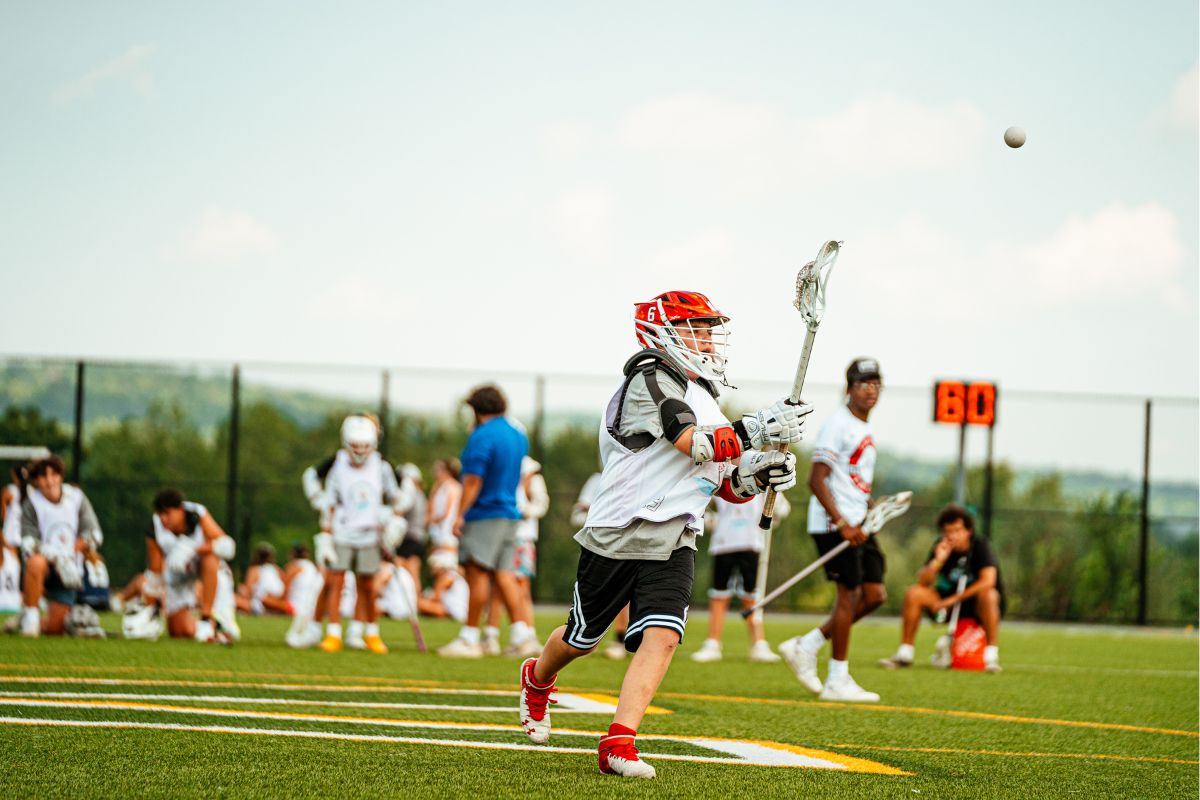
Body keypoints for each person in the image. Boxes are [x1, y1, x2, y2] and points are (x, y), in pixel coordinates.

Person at [517, 290, 809, 779]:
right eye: (698, 328)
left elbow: (725, 484)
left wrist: (761, 476)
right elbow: (692, 444)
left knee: (664, 636)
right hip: (620, 528)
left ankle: (619, 743)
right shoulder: (648, 379)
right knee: (581, 638)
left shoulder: (707, 398)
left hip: (676, 534)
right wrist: (757, 428)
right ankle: (537, 677)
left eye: (710, 330)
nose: (709, 339)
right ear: (665, 331)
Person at [779, 358, 885, 702]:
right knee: (849, 595)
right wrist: (841, 522)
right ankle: (837, 679)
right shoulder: (837, 425)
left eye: (875, 384)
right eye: (863, 384)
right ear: (849, 388)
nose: (870, 390)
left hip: (859, 522)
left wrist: (870, 508)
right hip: (834, 524)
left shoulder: (863, 426)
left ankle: (807, 645)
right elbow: (817, 479)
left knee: (874, 595)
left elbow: (851, 479)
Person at [302, 414, 409, 655]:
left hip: (370, 534)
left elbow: (396, 497)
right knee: (336, 582)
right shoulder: (337, 466)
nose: (360, 451)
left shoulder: (381, 467)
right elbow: (329, 500)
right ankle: (334, 633)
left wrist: (395, 520)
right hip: (342, 532)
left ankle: (370, 633)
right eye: (355, 446)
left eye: (364, 446)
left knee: (368, 585)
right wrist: (326, 534)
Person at [438, 385, 532, 658]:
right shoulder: (517, 434)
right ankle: (522, 637)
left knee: (476, 574)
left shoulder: (481, 435)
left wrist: (460, 514)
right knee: (505, 576)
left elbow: (473, 480)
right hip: (509, 514)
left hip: (484, 513)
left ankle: (469, 639)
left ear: (477, 409)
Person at [879, 505, 1005, 673]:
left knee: (989, 595)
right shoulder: (941, 546)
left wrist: (951, 600)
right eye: (948, 532)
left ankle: (991, 657)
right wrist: (938, 561)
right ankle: (905, 654)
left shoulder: (980, 545)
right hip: (948, 604)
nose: (952, 536)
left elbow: (988, 581)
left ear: (968, 531)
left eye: (957, 530)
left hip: (975, 604)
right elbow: (923, 582)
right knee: (913, 593)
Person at [691, 491, 790, 664]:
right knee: (719, 595)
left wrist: (774, 512)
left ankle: (758, 644)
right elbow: (702, 496)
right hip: (723, 542)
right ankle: (713, 643)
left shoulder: (763, 479)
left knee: (750, 597)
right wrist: (707, 519)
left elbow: (781, 507)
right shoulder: (723, 470)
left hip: (751, 542)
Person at [17, 455, 103, 637]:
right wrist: (54, 556)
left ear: (61, 476)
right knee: (35, 562)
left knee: (55, 629)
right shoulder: (31, 503)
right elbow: (28, 543)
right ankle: (30, 618)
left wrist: (67, 554)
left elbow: (94, 534)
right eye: (43, 476)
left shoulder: (76, 498)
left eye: (54, 474)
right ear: (36, 480)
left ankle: (20, 620)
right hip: (44, 567)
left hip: (69, 570)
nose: (49, 481)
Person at [151, 489, 238, 642]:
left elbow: (227, 546)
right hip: (177, 576)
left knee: (210, 557)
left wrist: (194, 549)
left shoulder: (198, 513)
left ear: (180, 510)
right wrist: (152, 605)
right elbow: (155, 569)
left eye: (167, 513)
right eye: (161, 514)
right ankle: (214, 625)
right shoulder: (154, 525)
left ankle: (207, 618)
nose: (164, 519)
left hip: (209, 573)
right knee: (179, 631)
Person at [484, 456, 548, 657]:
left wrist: (524, 511)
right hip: (503, 534)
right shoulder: (506, 465)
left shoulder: (530, 473)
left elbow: (540, 504)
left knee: (518, 587)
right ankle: (493, 636)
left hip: (520, 537)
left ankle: (526, 637)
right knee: (499, 587)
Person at [394, 463, 428, 595]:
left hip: (409, 537)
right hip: (418, 537)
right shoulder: (421, 495)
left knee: (404, 571)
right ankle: (415, 602)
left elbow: (400, 511)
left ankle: (414, 603)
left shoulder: (410, 493)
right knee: (413, 574)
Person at [417, 549, 469, 623]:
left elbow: (436, 597)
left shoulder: (446, 577)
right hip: (462, 612)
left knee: (419, 603)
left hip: (455, 612)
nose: (431, 569)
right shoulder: (454, 576)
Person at [236, 543, 288, 615]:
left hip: (260, 605)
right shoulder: (278, 570)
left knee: (234, 596)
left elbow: (248, 593)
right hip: (277, 604)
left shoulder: (254, 570)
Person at [426, 459, 462, 558]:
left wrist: (434, 520)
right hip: (438, 534)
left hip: (446, 533)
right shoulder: (439, 487)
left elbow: (447, 513)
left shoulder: (452, 487)